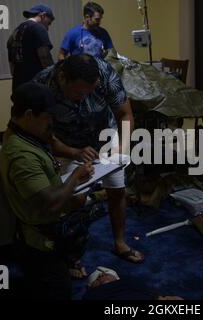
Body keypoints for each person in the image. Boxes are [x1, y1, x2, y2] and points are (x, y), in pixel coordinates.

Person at [32, 54, 145, 264]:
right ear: (63, 78)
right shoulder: (42, 84)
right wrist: (73, 152)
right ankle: (74, 254)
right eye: (78, 92)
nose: (84, 97)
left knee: (118, 190)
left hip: (105, 135)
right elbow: (42, 132)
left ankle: (120, 243)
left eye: (90, 92)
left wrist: (122, 146)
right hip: (66, 143)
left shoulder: (105, 73)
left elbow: (125, 114)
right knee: (75, 198)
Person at [0, 83, 95, 299]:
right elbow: (50, 202)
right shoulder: (21, 155)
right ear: (29, 115)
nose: (52, 121)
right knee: (58, 289)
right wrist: (75, 177)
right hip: (40, 243)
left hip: (43, 233)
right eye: (48, 116)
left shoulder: (25, 133)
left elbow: (51, 146)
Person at [7, 4, 55, 92]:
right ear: (43, 15)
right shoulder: (38, 28)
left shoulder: (15, 32)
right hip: (36, 87)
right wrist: (54, 80)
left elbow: (12, 67)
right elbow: (45, 59)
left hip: (18, 87)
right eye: (48, 23)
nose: (47, 28)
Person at [83, 267, 183, 300]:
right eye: (96, 278)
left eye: (105, 274)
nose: (101, 276)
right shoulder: (92, 294)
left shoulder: (130, 282)